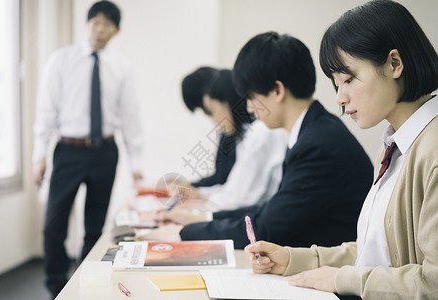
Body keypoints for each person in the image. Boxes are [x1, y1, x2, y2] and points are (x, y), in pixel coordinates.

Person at [244, 1, 438, 299]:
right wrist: (293, 259)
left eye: (348, 79)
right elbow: (378, 251)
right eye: (336, 84)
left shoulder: (432, 149)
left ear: (395, 64)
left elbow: (433, 282)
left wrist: (342, 280)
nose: (340, 98)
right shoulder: (394, 146)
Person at [140, 32, 374, 250]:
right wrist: (198, 220)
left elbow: (265, 228)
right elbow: (269, 212)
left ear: (277, 91)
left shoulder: (318, 145)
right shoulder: (314, 131)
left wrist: (183, 233)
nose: (249, 107)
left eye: (251, 97)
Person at [32, 1, 143, 297]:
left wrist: (137, 166)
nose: (100, 29)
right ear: (88, 24)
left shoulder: (121, 67)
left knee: (95, 227)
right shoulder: (61, 60)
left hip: (105, 152)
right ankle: (56, 286)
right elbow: (45, 112)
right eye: (96, 22)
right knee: (54, 223)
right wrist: (38, 156)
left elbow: (130, 118)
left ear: (116, 30)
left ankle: (84, 284)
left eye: (107, 24)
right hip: (68, 150)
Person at [183, 68, 288, 210]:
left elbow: (237, 199)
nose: (214, 120)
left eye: (213, 111)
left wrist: (194, 209)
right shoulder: (245, 136)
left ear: (228, 102)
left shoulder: (260, 133)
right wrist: (199, 193)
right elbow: (233, 188)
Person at [181, 66, 237, 188]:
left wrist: (194, 188)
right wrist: (190, 185)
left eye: (211, 110)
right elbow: (221, 176)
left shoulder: (255, 134)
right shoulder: (229, 133)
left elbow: (226, 180)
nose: (214, 119)